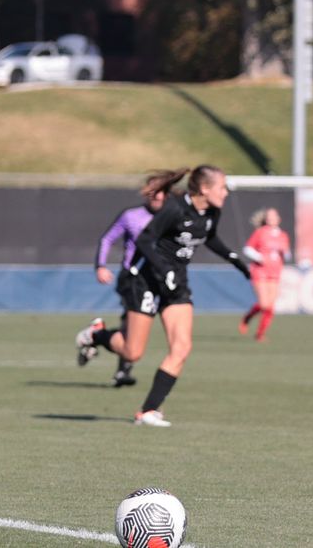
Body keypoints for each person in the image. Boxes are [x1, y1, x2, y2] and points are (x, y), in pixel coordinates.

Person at [81, 165, 249, 427]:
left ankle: (148, 411)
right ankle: (96, 334)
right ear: (204, 189)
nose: (226, 192)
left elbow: (210, 238)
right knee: (132, 352)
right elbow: (146, 240)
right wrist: (163, 270)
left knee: (182, 347)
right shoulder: (174, 208)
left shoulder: (213, 211)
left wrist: (240, 264)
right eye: (222, 187)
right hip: (145, 278)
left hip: (176, 282)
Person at [76, 172, 173, 387]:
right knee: (131, 325)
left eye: (162, 193)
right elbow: (108, 238)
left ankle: (109, 352)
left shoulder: (170, 217)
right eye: (153, 193)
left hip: (156, 279)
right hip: (133, 277)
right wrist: (100, 266)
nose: (157, 197)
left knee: (131, 326)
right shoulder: (131, 216)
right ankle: (101, 340)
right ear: (146, 194)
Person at [240, 207, 290, 342]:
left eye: (274, 216)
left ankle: (260, 334)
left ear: (279, 219)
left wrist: (285, 252)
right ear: (266, 219)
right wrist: (260, 257)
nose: (271, 218)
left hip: (275, 272)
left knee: (270, 306)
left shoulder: (283, 235)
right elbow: (248, 249)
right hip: (260, 270)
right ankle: (247, 317)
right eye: (269, 216)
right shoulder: (260, 232)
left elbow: (287, 255)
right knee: (263, 304)